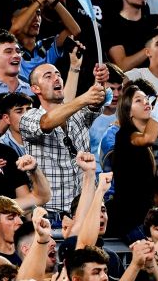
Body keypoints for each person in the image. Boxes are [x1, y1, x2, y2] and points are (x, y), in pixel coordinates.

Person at [19, 63, 106, 211]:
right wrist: (84, 98)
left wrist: (100, 81)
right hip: (51, 218)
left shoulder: (78, 113)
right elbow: (46, 123)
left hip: (86, 211)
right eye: (48, 76)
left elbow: (96, 101)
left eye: (58, 74)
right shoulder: (28, 117)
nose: (56, 78)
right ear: (35, 88)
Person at [107, 77, 158, 241]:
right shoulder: (125, 135)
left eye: (147, 99)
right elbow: (148, 137)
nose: (146, 102)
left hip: (146, 219)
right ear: (129, 111)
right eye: (138, 100)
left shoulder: (142, 137)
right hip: (130, 223)